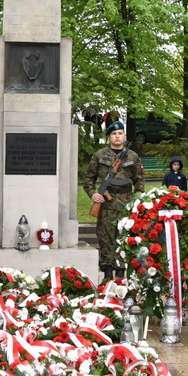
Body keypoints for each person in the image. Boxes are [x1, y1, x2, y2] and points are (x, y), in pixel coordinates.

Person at [83, 120, 145, 282]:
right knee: (105, 239)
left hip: (127, 204)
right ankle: (108, 276)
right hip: (106, 205)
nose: (117, 136)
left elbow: (139, 181)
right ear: (109, 137)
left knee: (124, 239)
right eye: (114, 134)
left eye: (120, 133)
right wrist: (93, 194)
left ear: (124, 136)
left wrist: (137, 202)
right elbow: (88, 178)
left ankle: (121, 277)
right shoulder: (99, 155)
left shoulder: (133, 156)